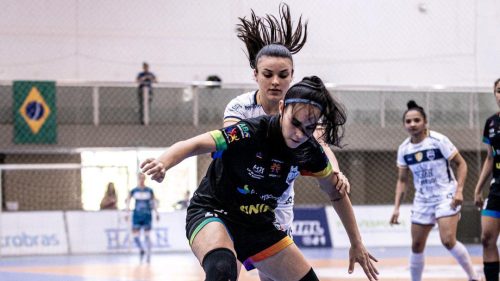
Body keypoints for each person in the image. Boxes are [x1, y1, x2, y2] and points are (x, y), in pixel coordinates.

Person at [141, 76, 378, 281]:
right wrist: (164, 162)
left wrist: (356, 243)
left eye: (308, 128)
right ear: (283, 107)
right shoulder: (249, 131)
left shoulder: (310, 151)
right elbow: (195, 143)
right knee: (222, 269)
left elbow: (336, 193)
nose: (299, 134)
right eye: (294, 123)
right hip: (213, 210)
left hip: (258, 222)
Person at [227, 5, 350, 280]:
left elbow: (321, 145)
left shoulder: (301, 110)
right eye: (268, 74)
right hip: (237, 203)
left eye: (283, 75)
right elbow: (230, 147)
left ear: (292, 76)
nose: (275, 81)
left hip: (277, 208)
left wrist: (336, 170)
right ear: (255, 75)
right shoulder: (240, 107)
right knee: (224, 271)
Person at [390, 100, 479, 281]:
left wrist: (459, 191)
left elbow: (461, 164)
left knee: (447, 240)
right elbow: (402, 180)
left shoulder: (438, 141)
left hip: (445, 195)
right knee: (416, 245)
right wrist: (396, 208)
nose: (412, 124)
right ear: (404, 124)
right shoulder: (404, 149)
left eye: (417, 120)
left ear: (425, 122)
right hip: (422, 199)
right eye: (408, 121)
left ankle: (473, 277)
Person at [474, 78, 500, 281]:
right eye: (499, 91)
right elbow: (490, 158)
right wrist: (478, 188)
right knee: (487, 238)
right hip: (497, 187)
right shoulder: (491, 122)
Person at [125, 173, 160, 263]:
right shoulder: (134, 191)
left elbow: (154, 202)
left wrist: (156, 213)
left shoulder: (149, 190)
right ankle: (141, 249)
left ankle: (148, 254)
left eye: (142, 178)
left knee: (147, 235)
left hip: (147, 216)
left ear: (145, 179)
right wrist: (127, 212)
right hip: (137, 215)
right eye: (139, 178)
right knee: (135, 236)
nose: (141, 180)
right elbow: (128, 202)